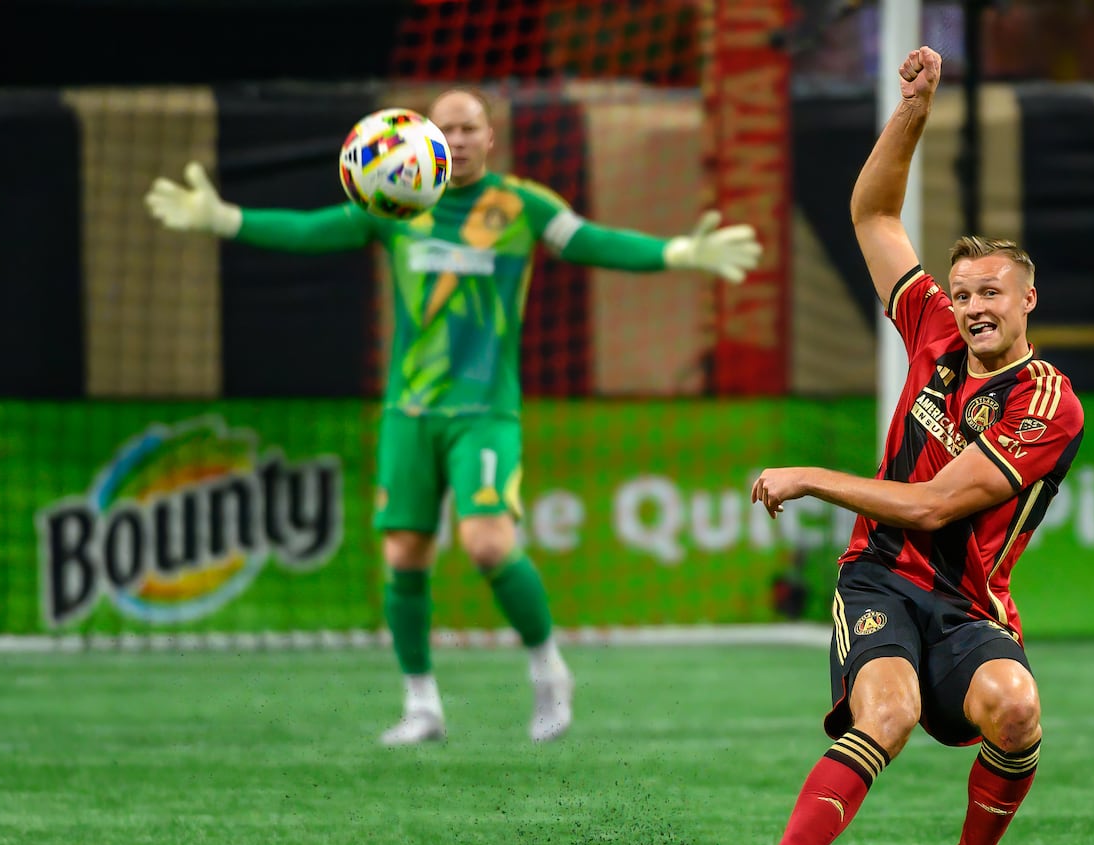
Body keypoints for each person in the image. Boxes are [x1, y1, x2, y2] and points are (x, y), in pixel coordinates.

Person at [145, 87, 761, 746]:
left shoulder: (520, 206)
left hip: (484, 411)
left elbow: (589, 242)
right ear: (426, 137)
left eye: (470, 129)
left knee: (487, 543)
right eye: (447, 129)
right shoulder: (395, 204)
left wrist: (677, 254)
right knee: (404, 554)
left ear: (489, 139)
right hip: (409, 412)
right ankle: (421, 705)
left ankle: (548, 668)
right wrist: (224, 219)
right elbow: (310, 230)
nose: (459, 140)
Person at [724, 46, 1084, 845]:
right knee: (886, 714)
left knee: (1016, 705)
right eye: (960, 293)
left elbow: (932, 507)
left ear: (1027, 299)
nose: (969, 305)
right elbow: (873, 212)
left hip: (967, 604)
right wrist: (914, 110)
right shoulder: (929, 329)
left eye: (989, 291)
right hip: (880, 580)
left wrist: (810, 476)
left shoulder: (1046, 401)